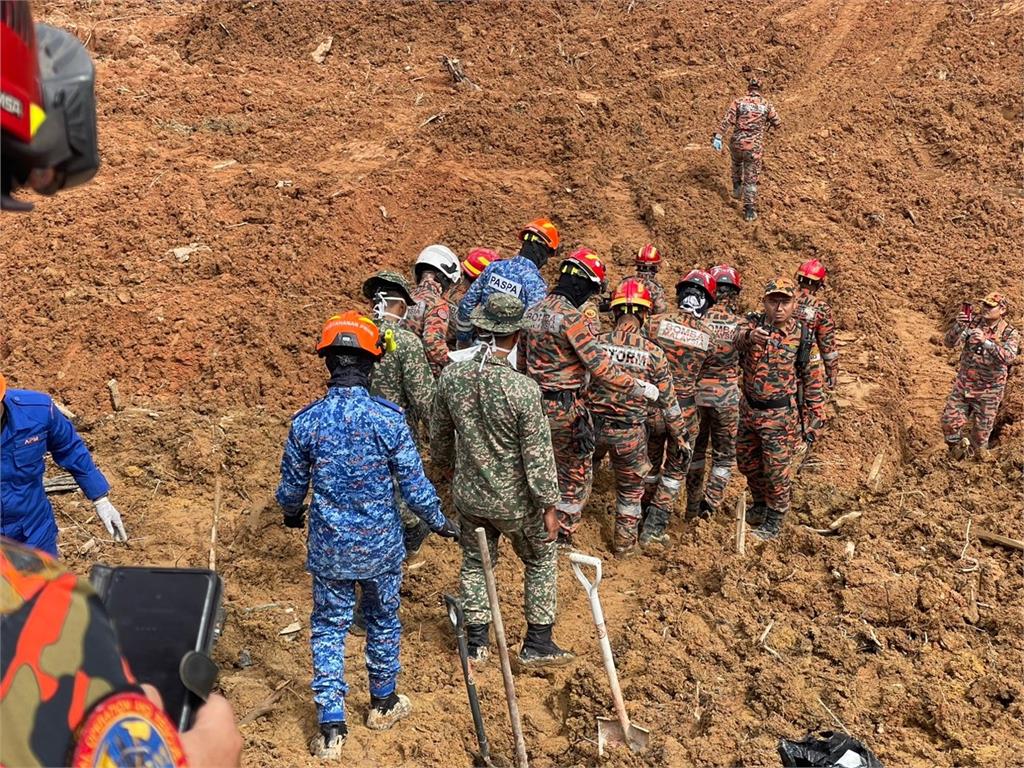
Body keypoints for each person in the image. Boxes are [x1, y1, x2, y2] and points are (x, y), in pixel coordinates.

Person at [1, 6, 242, 765]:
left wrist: (101, 494)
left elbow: (71, 451)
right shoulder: (41, 623)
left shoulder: (33, 412)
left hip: (32, 542)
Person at [276, 312, 459, 758]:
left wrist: (291, 515)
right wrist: (440, 522)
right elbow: (415, 488)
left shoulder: (307, 423)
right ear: (372, 363)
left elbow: (290, 491)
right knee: (381, 621)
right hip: (381, 548)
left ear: (328, 363)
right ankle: (382, 703)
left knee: (329, 627)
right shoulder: (388, 420)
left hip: (330, 550)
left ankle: (332, 725)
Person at [431, 293, 573, 667]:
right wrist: (549, 507)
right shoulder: (522, 389)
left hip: (470, 498)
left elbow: (440, 436)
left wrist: (445, 475)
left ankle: (477, 642)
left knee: (477, 563)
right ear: (515, 336)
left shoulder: (452, 377)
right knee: (541, 558)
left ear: (479, 328)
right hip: (516, 503)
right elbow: (538, 456)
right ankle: (538, 642)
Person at [521, 248, 660, 547]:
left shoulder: (531, 313)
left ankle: (530, 528)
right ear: (582, 283)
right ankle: (561, 537)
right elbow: (600, 367)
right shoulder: (572, 319)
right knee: (573, 475)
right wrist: (637, 386)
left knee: (539, 466)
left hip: (531, 406)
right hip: (564, 409)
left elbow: (522, 362)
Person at [585, 279, 688, 556]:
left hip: (592, 427)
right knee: (630, 492)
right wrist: (680, 435)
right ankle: (624, 547)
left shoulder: (596, 344)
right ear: (645, 314)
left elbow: (580, 385)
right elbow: (668, 403)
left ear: (615, 312)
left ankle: (567, 535)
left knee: (579, 480)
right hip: (630, 432)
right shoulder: (653, 353)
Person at [735, 278, 826, 539]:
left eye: (785, 301)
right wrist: (750, 337)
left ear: (794, 304)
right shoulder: (753, 323)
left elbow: (813, 378)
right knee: (747, 462)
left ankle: (775, 518)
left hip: (780, 415)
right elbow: (735, 338)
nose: (779, 307)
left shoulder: (803, 336)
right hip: (750, 410)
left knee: (776, 469)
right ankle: (760, 504)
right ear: (764, 302)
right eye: (773, 301)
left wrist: (816, 415)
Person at [0, 373, 126, 555]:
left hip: (33, 531)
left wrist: (100, 498)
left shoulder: (38, 411)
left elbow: (69, 448)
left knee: (43, 583)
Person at [362, 271, 437, 562]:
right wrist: (438, 437)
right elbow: (423, 396)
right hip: (397, 429)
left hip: (356, 427)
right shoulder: (405, 342)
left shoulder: (353, 334)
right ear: (399, 305)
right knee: (399, 485)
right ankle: (412, 527)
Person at [643, 270, 717, 544]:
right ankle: (655, 527)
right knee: (675, 471)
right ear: (707, 302)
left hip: (652, 407)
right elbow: (702, 370)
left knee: (649, 465)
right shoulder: (709, 338)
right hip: (684, 412)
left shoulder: (653, 324)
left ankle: (640, 515)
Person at [684, 264, 744, 520]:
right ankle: (710, 504)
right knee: (724, 457)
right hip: (727, 398)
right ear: (735, 293)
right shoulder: (742, 325)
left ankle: (692, 504)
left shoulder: (698, 322)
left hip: (696, 397)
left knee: (695, 452)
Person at [941, 293, 1019, 460]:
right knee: (949, 423)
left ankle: (970, 464)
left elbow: (1009, 357)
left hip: (989, 392)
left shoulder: (1009, 333)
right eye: (984, 305)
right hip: (965, 385)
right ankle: (956, 453)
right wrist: (959, 326)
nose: (985, 309)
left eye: (990, 306)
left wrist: (986, 342)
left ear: (1002, 309)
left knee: (980, 439)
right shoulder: (973, 322)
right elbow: (948, 343)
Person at [455, 218, 558, 345]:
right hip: (507, 354)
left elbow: (466, 304)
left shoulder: (494, 268)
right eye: (548, 255)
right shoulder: (536, 284)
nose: (546, 261)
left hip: (478, 345)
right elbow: (532, 327)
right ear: (542, 251)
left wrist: (463, 340)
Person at [712, 77, 781, 222]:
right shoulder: (766, 105)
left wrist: (718, 136)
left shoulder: (738, 102)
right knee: (751, 178)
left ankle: (737, 187)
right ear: (760, 89)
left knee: (736, 163)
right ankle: (749, 210)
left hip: (737, 143)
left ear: (749, 88)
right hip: (753, 147)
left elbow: (727, 120)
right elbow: (777, 122)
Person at [405, 244, 462, 378]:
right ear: (444, 279)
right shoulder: (437, 304)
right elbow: (433, 346)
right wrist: (457, 366)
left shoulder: (405, 297)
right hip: (421, 374)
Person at [795, 258, 839, 390]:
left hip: (779, 359)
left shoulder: (784, 298)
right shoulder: (821, 308)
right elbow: (827, 344)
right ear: (820, 284)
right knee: (812, 401)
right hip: (807, 362)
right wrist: (832, 372)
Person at [632, 243, 669, 315]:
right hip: (645, 322)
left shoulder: (626, 282)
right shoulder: (655, 288)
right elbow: (660, 309)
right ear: (655, 267)